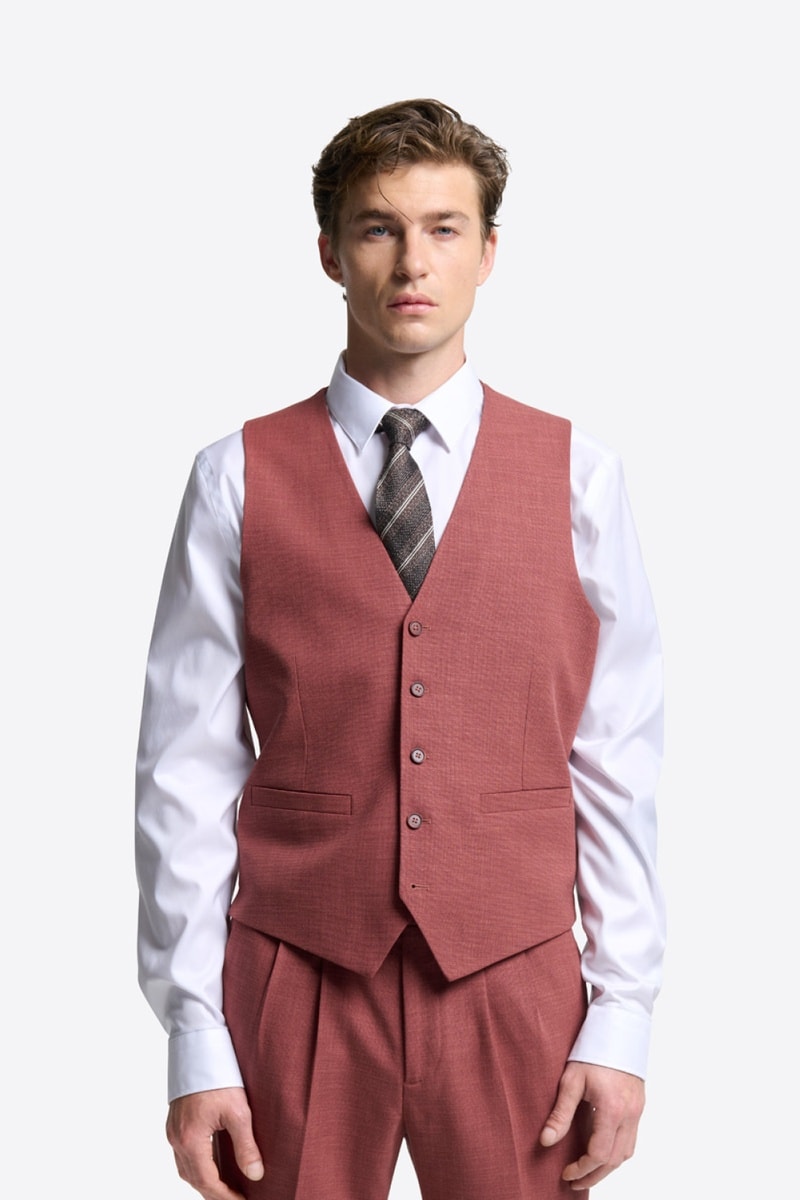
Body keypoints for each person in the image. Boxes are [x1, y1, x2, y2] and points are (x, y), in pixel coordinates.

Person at [135, 98, 665, 1200]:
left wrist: (621, 1016)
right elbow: (185, 767)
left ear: (487, 253)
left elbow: (617, 756)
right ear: (330, 253)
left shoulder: (580, 476)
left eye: (442, 228)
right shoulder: (234, 476)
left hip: (514, 974)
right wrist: (194, 1034)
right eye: (378, 228)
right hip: (298, 970)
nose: (412, 261)